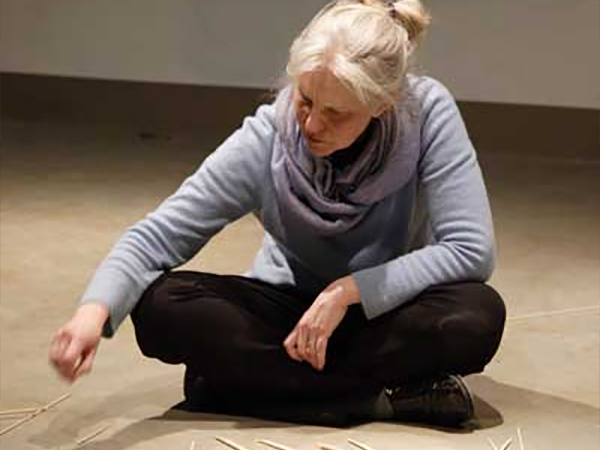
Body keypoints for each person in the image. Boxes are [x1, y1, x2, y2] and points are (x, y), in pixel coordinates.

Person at [49, 0, 505, 428]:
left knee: (475, 317)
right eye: (305, 100)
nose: (310, 125)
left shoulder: (426, 112)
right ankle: (374, 400)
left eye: (335, 113)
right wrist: (92, 313)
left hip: (383, 313)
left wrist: (348, 292)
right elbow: (157, 236)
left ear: (381, 105)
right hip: (286, 315)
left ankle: (243, 387)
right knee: (159, 304)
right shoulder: (270, 136)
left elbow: (470, 250)